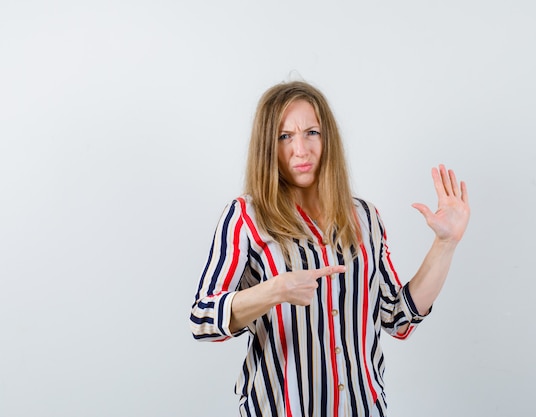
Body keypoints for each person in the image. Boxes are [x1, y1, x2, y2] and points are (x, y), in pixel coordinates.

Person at [189, 80, 470, 417]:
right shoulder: (246, 217)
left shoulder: (365, 218)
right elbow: (203, 319)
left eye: (312, 133)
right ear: (268, 145)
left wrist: (445, 244)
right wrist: (274, 290)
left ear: (327, 139)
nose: (301, 150)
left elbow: (397, 317)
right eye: (284, 136)